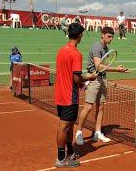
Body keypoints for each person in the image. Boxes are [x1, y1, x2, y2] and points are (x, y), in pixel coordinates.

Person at [75, 27, 129, 145]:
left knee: (101, 107)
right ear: (102, 35)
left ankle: (98, 133)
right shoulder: (97, 47)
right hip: (93, 78)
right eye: (109, 36)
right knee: (88, 107)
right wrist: (117, 69)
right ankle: (79, 132)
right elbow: (98, 66)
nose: (110, 39)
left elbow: (103, 66)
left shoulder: (106, 48)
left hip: (102, 79)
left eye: (112, 37)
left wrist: (113, 69)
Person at [54, 23, 97, 167]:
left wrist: (82, 83)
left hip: (60, 94)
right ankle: (61, 159)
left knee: (69, 126)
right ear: (79, 36)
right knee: (64, 126)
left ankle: (70, 153)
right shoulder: (76, 54)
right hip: (69, 96)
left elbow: (68, 75)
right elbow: (77, 78)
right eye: (82, 35)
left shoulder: (61, 51)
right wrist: (89, 78)